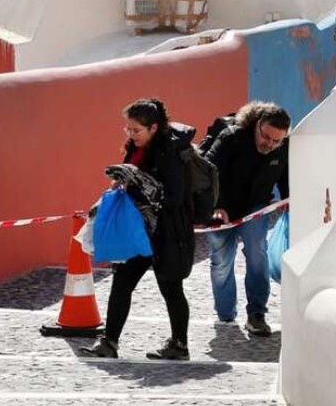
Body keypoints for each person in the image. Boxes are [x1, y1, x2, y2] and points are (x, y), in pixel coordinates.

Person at [81, 98, 196, 360]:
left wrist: (139, 179)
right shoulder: (135, 148)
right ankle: (109, 342)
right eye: (128, 130)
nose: (131, 135)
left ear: (154, 128)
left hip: (166, 230)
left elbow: (175, 196)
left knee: (171, 287)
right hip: (138, 228)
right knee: (121, 283)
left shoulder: (171, 151)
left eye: (136, 130)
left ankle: (180, 345)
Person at [204, 101, 290, 336]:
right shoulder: (231, 138)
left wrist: (289, 199)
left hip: (255, 207)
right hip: (221, 209)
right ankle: (226, 314)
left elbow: (285, 176)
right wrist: (217, 205)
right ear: (258, 125)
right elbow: (207, 171)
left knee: (257, 254)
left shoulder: (283, 147)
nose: (269, 144)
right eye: (266, 137)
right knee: (221, 261)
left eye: (276, 141)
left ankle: (257, 313)